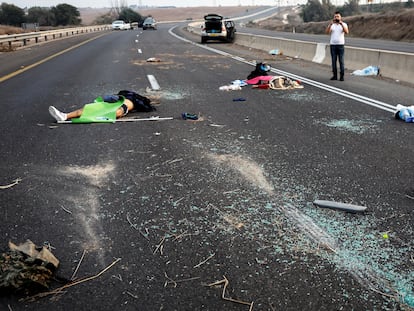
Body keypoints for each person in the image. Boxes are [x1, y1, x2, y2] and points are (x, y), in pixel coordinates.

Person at [49, 90, 156, 123]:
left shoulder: (128, 96)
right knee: (117, 111)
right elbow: (146, 107)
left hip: (115, 104)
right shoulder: (135, 99)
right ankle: (64, 116)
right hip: (122, 105)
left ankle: (65, 115)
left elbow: (108, 97)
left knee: (91, 108)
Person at [326, 12, 349, 81]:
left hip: (340, 45)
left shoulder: (344, 24)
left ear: (340, 17)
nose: (336, 18)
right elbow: (327, 32)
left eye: (338, 16)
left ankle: (342, 76)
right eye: (335, 17)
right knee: (333, 61)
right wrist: (330, 25)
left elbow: (346, 32)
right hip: (333, 45)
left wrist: (341, 24)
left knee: (341, 61)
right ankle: (334, 75)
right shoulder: (332, 25)